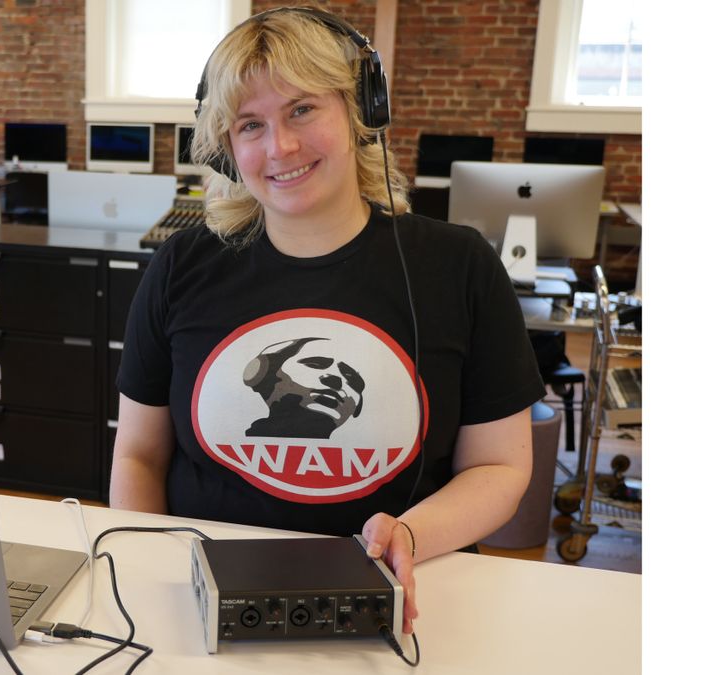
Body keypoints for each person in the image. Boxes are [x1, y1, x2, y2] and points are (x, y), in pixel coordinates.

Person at [109, 7, 544, 636]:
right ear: (228, 148)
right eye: (250, 124)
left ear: (359, 110)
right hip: (206, 600)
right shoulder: (184, 264)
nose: (279, 146)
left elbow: (501, 467)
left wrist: (409, 536)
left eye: (302, 110)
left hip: (404, 597)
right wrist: (151, 585)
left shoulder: (459, 265)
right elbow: (140, 455)